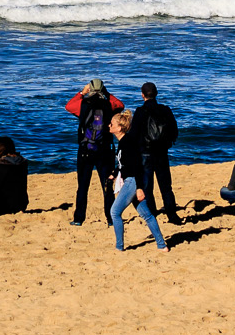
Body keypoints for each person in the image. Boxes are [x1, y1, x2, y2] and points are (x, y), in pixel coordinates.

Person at [108, 111, 169, 251]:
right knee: (147, 214)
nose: (108, 125)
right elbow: (123, 164)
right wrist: (115, 174)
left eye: (111, 124)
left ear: (119, 128)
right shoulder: (122, 143)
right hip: (131, 180)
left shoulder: (128, 143)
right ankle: (162, 245)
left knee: (115, 212)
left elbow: (137, 166)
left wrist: (140, 188)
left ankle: (119, 247)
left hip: (133, 182)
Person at [66, 80, 124, 226]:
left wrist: (81, 93)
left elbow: (68, 106)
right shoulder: (109, 105)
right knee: (107, 186)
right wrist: (107, 93)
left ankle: (79, 219)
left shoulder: (83, 104)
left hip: (86, 149)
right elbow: (121, 105)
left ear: (90, 89)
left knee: (83, 186)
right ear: (102, 89)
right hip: (105, 150)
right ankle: (111, 219)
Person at [130, 82, 180, 223]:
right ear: (156, 93)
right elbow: (174, 130)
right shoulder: (165, 110)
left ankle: (152, 214)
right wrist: (168, 143)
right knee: (165, 186)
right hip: (161, 152)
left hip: (145, 152)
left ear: (142, 95)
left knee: (147, 187)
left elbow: (134, 134)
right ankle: (172, 215)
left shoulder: (140, 111)